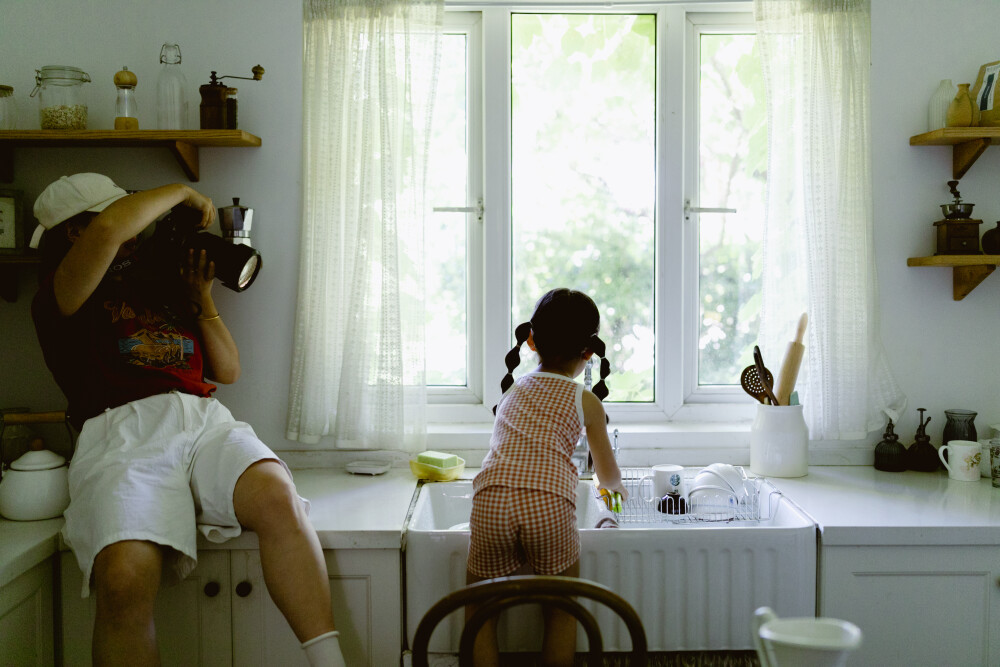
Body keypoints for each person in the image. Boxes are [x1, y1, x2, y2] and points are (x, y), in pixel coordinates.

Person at [28, 173, 345, 667]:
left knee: (278, 497)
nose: (136, 227)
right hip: (121, 435)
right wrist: (180, 191)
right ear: (75, 233)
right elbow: (110, 230)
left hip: (202, 421)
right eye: (116, 214)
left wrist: (202, 302)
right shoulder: (61, 293)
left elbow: (228, 370)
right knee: (124, 576)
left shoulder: (156, 281)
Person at [465, 288, 628, 667]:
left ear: (532, 340)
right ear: (588, 352)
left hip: (491, 501)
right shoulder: (586, 401)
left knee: (479, 613)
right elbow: (608, 477)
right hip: (548, 507)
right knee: (560, 611)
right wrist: (616, 507)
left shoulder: (512, 391)